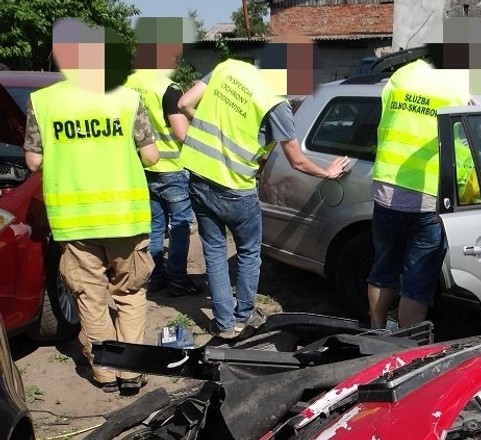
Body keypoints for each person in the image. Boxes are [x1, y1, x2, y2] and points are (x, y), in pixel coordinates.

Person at [23, 18, 159, 393]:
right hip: (125, 220)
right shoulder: (128, 98)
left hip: (75, 224)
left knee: (92, 298)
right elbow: (150, 156)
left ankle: (105, 374)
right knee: (129, 296)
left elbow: (33, 163)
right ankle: (130, 373)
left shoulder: (44, 101)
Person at [367, 57, 481, 330]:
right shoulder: (463, 84)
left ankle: (376, 327)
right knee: (417, 282)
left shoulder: (403, 74)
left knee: (384, 270)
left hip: (386, 189)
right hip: (428, 198)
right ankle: (403, 346)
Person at [178, 58, 350, 340]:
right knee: (247, 252)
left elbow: (184, 104)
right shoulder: (275, 104)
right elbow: (297, 161)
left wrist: (218, 134)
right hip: (235, 189)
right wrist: (328, 172)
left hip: (198, 176)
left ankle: (223, 323)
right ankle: (243, 316)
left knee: (214, 249)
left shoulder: (229, 67)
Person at [125, 46, 200, 297]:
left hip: (142, 166)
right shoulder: (168, 88)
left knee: (156, 225)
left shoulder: (126, 85)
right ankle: (178, 280)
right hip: (172, 168)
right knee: (179, 225)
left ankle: (155, 277)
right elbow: (181, 132)